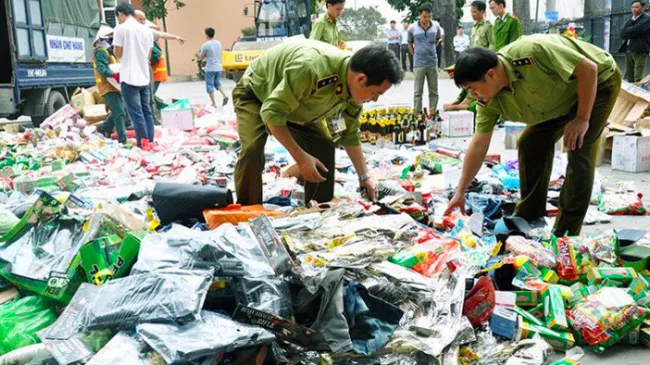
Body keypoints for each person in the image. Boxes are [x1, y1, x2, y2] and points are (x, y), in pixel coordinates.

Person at [445, 35, 621, 236]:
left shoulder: (533, 51)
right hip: (559, 100)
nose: (473, 96)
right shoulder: (488, 102)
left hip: (598, 83)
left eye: (473, 89)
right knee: (530, 143)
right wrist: (460, 192)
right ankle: (529, 216)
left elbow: (589, 69)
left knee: (578, 149)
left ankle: (566, 232)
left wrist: (581, 119)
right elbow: (478, 144)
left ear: (491, 75)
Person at [233, 40, 403, 206]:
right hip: (256, 93)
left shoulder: (354, 92)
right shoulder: (311, 69)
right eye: (375, 93)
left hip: (298, 107)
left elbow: (349, 134)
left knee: (324, 147)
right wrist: (301, 158)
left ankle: (319, 209)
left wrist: (364, 177)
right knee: (252, 149)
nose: (374, 100)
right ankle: (248, 211)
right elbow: (272, 112)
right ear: (360, 79)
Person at [112, 3, 155, 147]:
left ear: (120, 14)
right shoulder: (146, 30)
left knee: (136, 114)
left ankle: (143, 144)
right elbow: (149, 55)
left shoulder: (121, 29)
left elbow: (117, 54)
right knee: (147, 112)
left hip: (129, 77)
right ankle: (150, 142)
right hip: (144, 77)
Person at [133, 10, 185, 115]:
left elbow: (161, 35)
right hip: (142, 71)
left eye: (144, 20)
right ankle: (165, 109)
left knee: (149, 95)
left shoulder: (147, 33)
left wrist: (175, 37)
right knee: (147, 95)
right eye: (140, 19)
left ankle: (165, 110)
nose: (143, 22)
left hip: (151, 72)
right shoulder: (128, 32)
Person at [93, 31, 127, 143]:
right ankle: (122, 139)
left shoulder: (109, 52)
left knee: (119, 110)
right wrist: (113, 74)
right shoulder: (101, 52)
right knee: (119, 112)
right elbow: (101, 68)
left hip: (114, 85)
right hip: (107, 86)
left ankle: (103, 128)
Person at [408, 3, 443, 115]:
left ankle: (432, 112)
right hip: (419, 64)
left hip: (433, 62)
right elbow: (409, 43)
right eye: (424, 16)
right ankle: (417, 113)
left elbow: (438, 39)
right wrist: (415, 54)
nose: (427, 19)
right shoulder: (412, 28)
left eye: (429, 16)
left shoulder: (436, 26)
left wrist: (431, 49)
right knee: (418, 91)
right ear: (419, 15)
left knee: (433, 90)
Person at [620, 1, 650, 82]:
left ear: (643, 8)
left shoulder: (647, 19)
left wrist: (629, 31)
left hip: (640, 50)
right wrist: (632, 31)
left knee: (638, 76)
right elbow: (622, 34)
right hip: (629, 49)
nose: (634, 9)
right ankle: (630, 93)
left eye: (636, 7)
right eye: (632, 7)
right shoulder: (630, 20)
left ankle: (637, 93)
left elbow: (639, 29)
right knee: (629, 75)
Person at [199, 27, 229, 107]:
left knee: (209, 85)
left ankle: (214, 103)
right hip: (218, 67)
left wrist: (199, 56)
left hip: (210, 68)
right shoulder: (219, 43)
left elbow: (201, 57)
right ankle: (225, 95)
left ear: (206, 35)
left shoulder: (205, 45)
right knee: (217, 83)